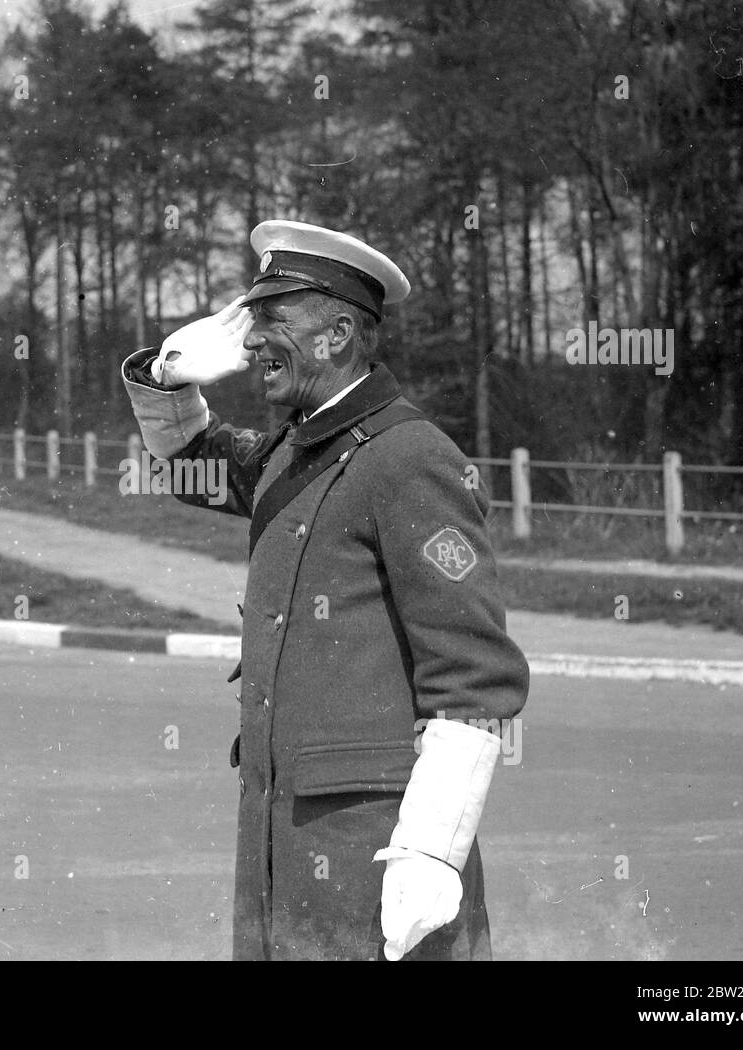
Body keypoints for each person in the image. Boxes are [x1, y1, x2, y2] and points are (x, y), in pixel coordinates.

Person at [121, 220, 530, 961]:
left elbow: (477, 676)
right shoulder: (294, 450)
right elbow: (189, 462)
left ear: (338, 334)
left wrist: (431, 854)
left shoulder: (410, 459)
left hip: (377, 861)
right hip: (280, 852)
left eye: (272, 321)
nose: (250, 344)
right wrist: (169, 375)